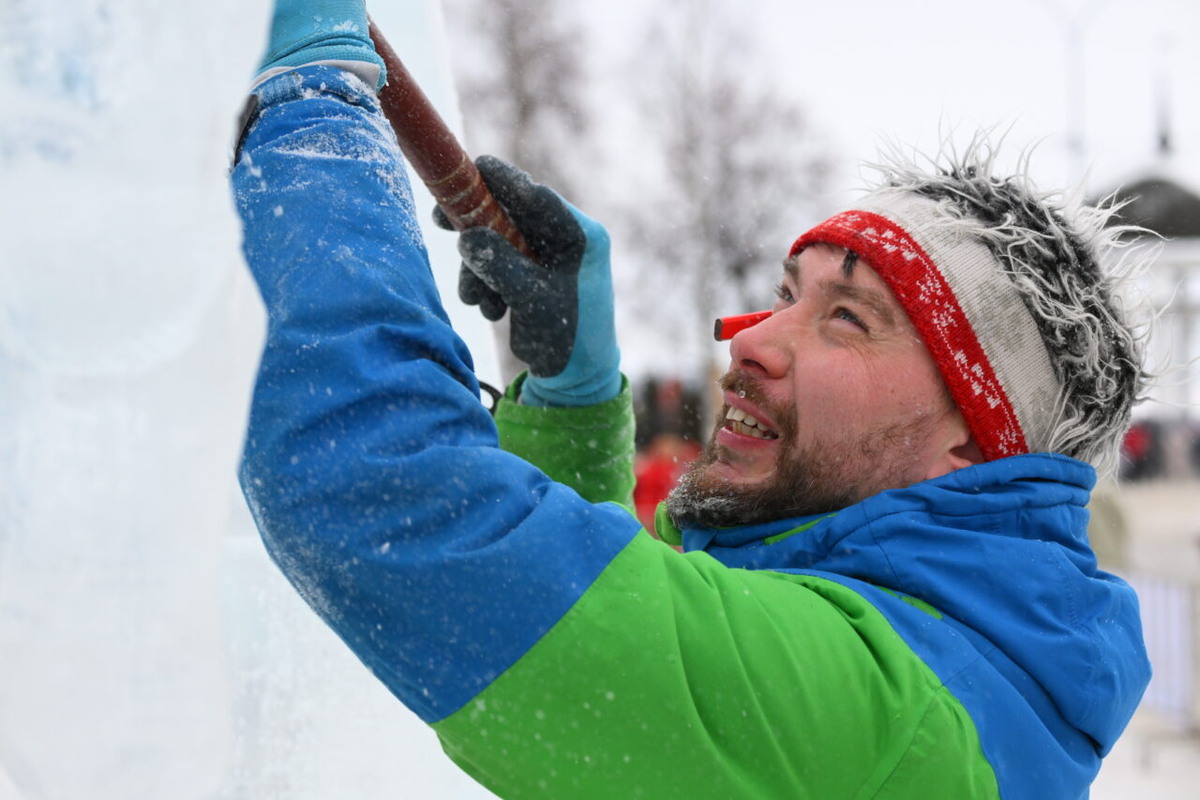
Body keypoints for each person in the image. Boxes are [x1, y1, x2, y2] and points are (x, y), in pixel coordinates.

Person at [231, 2, 1151, 797]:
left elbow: (379, 490)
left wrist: (314, 115)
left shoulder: (874, 719)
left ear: (971, 445)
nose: (750, 339)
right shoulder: (955, 682)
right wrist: (574, 402)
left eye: (849, 321)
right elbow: (630, 695)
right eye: (790, 294)